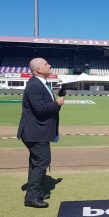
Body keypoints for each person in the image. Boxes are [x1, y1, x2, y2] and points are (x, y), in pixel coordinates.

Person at [17, 58, 65, 208]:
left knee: (36, 163)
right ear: (38, 69)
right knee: (42, 162)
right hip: (34, 132)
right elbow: (41, 109)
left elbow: (45, 108)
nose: (50, 65)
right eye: (46, 64)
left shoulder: (40, 83)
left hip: (37, 131)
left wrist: (57, 101)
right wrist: (57, 103)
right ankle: (32, 196)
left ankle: (37, 191)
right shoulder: (35, 85)